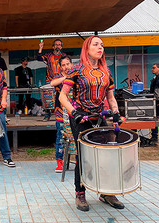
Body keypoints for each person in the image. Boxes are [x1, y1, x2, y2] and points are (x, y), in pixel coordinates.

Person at [59, 35, 124, 212]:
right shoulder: (76, 70)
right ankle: (80, 193)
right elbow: (62, 96)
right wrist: (74, 112)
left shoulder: (106, 72)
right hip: (80, 117)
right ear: (86, 48)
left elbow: (110, 97)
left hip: (101, 117)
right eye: (96, 44)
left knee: (107, 154)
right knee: (84, 155)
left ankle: (106, 192)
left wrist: (116, 113)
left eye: (102, 45)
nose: (100, 47)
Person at [50, 55, 72, 172]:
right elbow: (52, 83)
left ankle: (78, 159)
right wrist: (66, 78)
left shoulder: (76, 76)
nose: (66, 67)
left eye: (68, 64)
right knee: (60, 138)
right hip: (61, 113)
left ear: (71, 64)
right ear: (60, 67)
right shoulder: (58, 77)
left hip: (74, 112)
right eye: (63, 65)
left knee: (75, 136)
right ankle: (59, 161)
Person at [38, 39, 66, 121]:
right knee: (48, 98)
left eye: (59, 44)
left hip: (61, 80)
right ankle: (47, 114)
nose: (57, 46)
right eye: (56, 44)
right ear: (53, 46)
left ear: (61, 47)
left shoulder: (64, 56)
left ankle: (62, 114)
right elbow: (39, 58)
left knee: (61, 97)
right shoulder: (49, 55)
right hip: (50, 80)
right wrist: (40, 48)